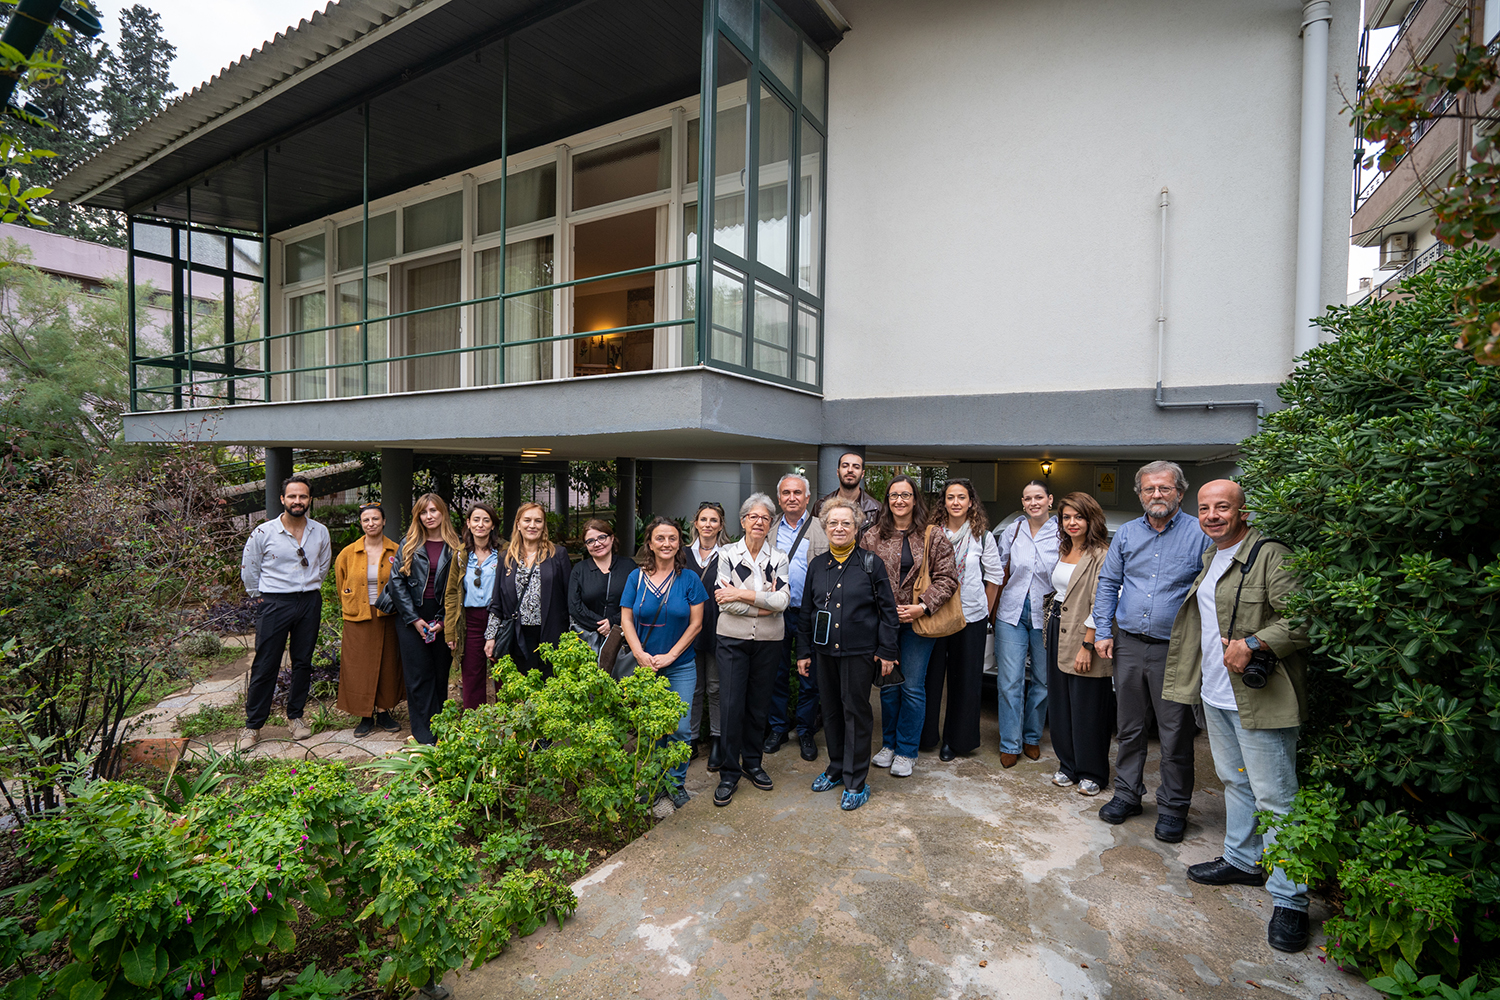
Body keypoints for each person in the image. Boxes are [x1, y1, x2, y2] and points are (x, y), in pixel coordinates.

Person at [1162, 480, 1312, 953]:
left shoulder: (1270, 555)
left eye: (1222, 507)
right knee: (1235, 781)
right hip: (1215, 693)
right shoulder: (1212, 559)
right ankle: (1243, 861)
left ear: (1243, 511)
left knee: (1277, 797)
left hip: (1261, 699)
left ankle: (1291, 900)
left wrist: (1252, 643)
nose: (1211, 516)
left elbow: (1303, 618)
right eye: (1204, 508)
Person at [1092, 460, 1212, 843]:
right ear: (1140, 494)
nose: (1156, 495)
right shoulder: (1127, 534)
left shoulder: (1200, 535)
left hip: (1175, 650)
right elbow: (1109, 582)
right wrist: (1102, 630)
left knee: (1175, 733)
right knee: (1128, 728)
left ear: (1180, 491)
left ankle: (1174, 808)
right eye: (1149, 489)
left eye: (1164, 488)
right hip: (1127, 644)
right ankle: (1127, 795)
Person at [797, 497, 899, 810]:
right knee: (830, 711)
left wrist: (886, 651)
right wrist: (803, 652)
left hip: (860, 653)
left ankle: (856, 779)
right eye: (833, 523)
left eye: (846, 523)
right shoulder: (817, 565)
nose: (839, 528)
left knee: (856, 712)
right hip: (824, 653)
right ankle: (836, 767)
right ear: (825, 528)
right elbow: (806, 612)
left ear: (856, 527)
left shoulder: (871, 563)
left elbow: (888, 613)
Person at [862, 475, 959, 779]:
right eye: (893, 496)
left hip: (919, 621)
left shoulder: (934, 535)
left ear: (915, 499)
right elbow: (861, 579)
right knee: (888, 687)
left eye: (905, 495)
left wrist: (922, 606)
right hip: (883, 623)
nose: (899, 501)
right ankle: (888, 744)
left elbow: (948, 578)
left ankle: (907, 750)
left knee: (913, 687)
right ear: (887, 501)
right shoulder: (872, 536)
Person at [620, 516, 708, 810]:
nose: (666, 544)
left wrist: (671, 655)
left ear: (679, 543)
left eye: (672, 538)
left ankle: (676, 783)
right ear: (650, 543)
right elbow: (626, 619)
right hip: (645, 667)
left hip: (680, 665)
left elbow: (696, 624)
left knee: (681, 728)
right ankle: (655, 783)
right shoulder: (636, 578)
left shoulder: (690, 579)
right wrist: (638, 654)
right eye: (660, 538)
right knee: (652, 728)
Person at [712, 493, 792, 807]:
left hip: (769, 642)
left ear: (770, 524)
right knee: (732, 705)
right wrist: (762, 603)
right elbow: (723, 600)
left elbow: (783, 602)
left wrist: (743, 594)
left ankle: (753, 763)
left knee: (759, 705)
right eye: (753, 516)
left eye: (765, 518)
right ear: (744, 520)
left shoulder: (779, 558)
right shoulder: (727, 554)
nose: (759, 522)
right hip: (732, 640)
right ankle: (729, 773)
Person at [240, 475, 332, 746]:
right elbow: (249, 568)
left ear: (309, 500)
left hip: (308, 602)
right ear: (282, 499)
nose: (297, 501)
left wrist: (308, 588)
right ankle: (253, 726)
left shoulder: (320, 532)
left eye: (303, 496)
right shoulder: (263, 532)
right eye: (292, 496)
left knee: (303, 662)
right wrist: (259, 598)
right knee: (265, 663)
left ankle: (296, 717)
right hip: (274, 603)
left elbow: (323, 566)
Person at [922, 478, 1003, 760]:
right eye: (950, 497)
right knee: (930, 678)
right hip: (936, 614)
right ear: (943, 502)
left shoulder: (983, 536)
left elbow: (994, 576)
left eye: (962, 497)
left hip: (971, 617)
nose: (956, 502)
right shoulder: (931, 534)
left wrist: (985, 611)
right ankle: (926, 735)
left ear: (971, 502)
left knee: (965, 680)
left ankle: (956, 741)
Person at [1047, 492, 1115, 796]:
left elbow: (1102, 601)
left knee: (1087, 708)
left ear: (1091, 519)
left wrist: (1088, 644)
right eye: (1066, 517)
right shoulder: (1064, 548)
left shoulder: (1101, 553)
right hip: (1057, 629)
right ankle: (1068, 765)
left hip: (1085, 634)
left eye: (1078, 517)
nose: (1072, 523)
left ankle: (1093, 772)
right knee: (1060, 704)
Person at [993, 480, 1059, 768]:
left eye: (1039, 497)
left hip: (1046, 614)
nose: (1034, 503)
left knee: (1043, 681)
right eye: (1028, 498)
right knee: (1010, 681)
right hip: (1011, 612)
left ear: (1050, 500)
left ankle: (1032, 738)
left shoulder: (1061, 533)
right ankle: (1010, 742)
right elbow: (998, 569)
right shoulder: (1013, 530)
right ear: (1023, 502)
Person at [764, 473, 830, 762]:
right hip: (775, 613)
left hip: (810, 614)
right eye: (786, 493)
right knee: (776, 674)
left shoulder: (823, 528)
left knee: (810, 676)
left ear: (807, 497)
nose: (792, 497)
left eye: (798, 493)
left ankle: (805, 730)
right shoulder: (768, 530)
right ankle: (778, 728)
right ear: (779, 499)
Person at [389, 493, 461, 745]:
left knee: (440, 674)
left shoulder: (457, 546)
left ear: (443, 513)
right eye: (423, 512)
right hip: (412, 616)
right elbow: (395, 583)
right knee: (418, 675)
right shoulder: (408, 543)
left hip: (443, 615)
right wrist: (414, 619)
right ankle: (423, 734)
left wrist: (442, 622)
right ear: (417, 516)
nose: (429, 516)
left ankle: (441, 727)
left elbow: (458, 589)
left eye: (433, 511)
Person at [333, 502, 404, 736]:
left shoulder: (396, 550)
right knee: (359, 667)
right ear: (361, 524)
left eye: (375, 519)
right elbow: (340, 585)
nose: (371, 523)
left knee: (387, 664)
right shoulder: (347, 553)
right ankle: (365, 715)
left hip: (388, 615)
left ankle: (383, 713)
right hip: (358, 617)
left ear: (384, 521)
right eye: (366, 520)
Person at [485, 502, 572, 677]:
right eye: (527, 520)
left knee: (551, 691)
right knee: (527, 693)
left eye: (538, 521)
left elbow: (568, 597)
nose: (532, 525)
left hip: (552, 634)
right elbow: (497, 601)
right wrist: (490, 636)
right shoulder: (506, 557)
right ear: (518, 524)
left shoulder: (557, 554)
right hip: (519, 637)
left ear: (543, 525)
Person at [444, 503, 502, 710]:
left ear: (493, 525)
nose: (481, 524)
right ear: (468, 523)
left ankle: (510, 724)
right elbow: (451, 594)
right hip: (471, 620)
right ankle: (475, 724)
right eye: (476, 519)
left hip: (498, 617)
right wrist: (450, 629)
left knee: (503, 671)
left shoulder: (503, 552)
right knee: (472, 673)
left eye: (486, 520)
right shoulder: (461, 555)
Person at [688, 502, 732, 769]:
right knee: (693, 688)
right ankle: (690, 739)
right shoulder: (683, 554)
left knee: (716, 688)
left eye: (713, 520)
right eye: (703, 519)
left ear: (721, 525)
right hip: (688, 631)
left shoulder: (728, 554)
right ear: (696, 523)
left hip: (718, 627)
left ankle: (717, 738)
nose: (708, 524)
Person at [567, 518, 634, 674]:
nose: (597, 544)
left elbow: (637, 601)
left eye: (601, 537)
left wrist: (613, 622)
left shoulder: (628, 566)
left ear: (611, 538)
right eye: (590, 541)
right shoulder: (579, 569)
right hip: (587, 639)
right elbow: (574, 605)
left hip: (622, 637)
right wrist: (600, 624)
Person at [814, 451, 881, 530]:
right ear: (838, 472)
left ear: (862, 474)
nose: (850, 470)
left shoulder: (876, 509)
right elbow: (814, 538)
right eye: (845, 466)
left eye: (856, 467)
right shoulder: (820, 505)